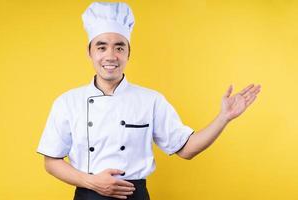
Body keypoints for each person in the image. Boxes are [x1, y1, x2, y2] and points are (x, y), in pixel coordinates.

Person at [37, 2, 261, 200]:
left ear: (128, 53)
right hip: (88, 196)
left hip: (135, 196)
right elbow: (51, 161)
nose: (110, 56)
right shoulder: (67, 102)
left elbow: (186, 149)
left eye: (119, 47)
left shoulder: (150, 100)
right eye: (101, 47)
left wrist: (223, 118)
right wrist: (92, 182)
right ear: (90, 53)